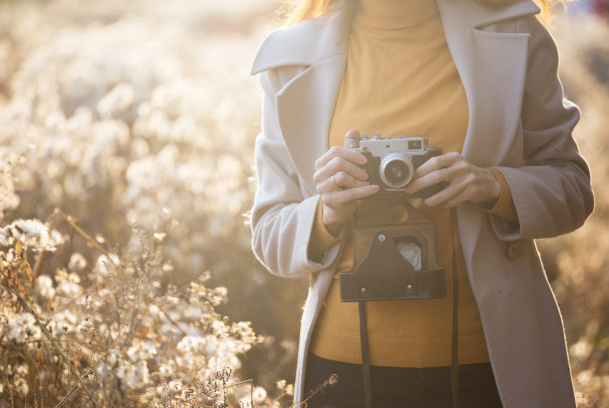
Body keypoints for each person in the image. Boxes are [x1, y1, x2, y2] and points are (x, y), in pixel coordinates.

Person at [249, 0, 594, 407]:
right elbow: (268, 232)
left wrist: (493, 185)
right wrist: (327, 212)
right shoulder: (290, 56)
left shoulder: (513, 32)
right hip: (343, 373)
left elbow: (573, 188)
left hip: (486, 365)